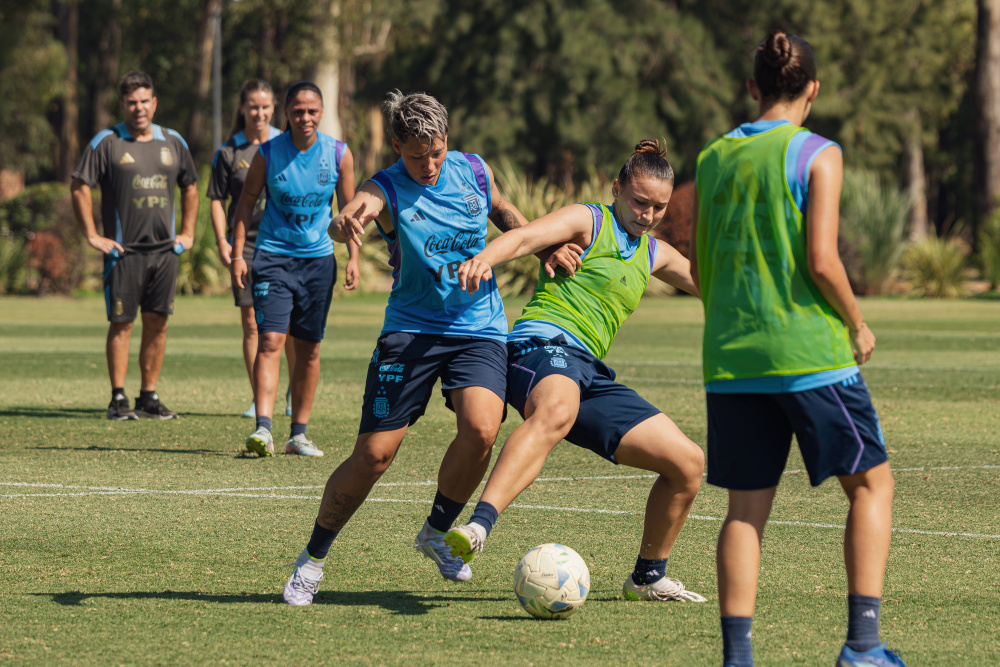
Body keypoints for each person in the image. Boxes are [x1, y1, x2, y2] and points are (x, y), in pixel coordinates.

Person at [282, 91, 552, 605]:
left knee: (481, 429)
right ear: (396, 146)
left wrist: (545, 242)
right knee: (374, 456)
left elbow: (503, 211)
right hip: (411, 331)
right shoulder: (384, 185)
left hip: (479, 327)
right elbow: (358, 210)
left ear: (447, 139)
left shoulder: (473, 169)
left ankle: (436, 531)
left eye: (436, 152)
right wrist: (345, 223)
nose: (428, 165)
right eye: (415, 155)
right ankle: (312, 559)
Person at [690, 30, 903, 667]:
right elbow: (822, 260)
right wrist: (858, 324)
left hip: (730, 362)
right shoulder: (817, 152)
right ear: (812, 89)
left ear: (752, 88)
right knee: (872, 488)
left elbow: (701, 268)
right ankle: (863, 646)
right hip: (808, 356)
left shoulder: (710, 158)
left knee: (745, 510)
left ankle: (738, 659)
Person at [445, 140, 707, 603]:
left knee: (687, 464)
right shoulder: (589, 220)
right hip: (541, 346)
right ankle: (480, 525)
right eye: (639, 202)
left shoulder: (654, 253)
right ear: (617, 188)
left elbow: (713, 289)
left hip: (590, 370)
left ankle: (648, 576)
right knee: (558, 408)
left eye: (658, 208)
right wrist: (486, 257)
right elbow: (526, 237)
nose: (647, 214)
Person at [231, 81, 359, 457]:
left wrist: (353, 256)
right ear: (286, 113)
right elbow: (245, 205)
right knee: (270, 340)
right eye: (298, 111)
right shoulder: (268, 154)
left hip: (318, 262)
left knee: (310, 349)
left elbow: (349, 210)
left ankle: (298, 435)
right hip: (272, 258)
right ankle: (264, 429)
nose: (305, 117)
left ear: (321, 112)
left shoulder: (338, 154)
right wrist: (239, 255)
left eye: (312, 111)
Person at [70, 70, 198, 421]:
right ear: (122, 105)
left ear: (154, 103)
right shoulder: (106, 142)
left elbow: (190, 185)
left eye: (144, 101)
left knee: (158, 323)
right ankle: (118, 398)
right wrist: (93, 236)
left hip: (165, 254)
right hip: (123, 254)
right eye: (131, 102)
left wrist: (186, 233)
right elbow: (80, 184)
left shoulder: (173, 142)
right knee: (122, 323)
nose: (138, 108)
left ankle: (148, 396)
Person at [207, 79, 295, 420]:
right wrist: (223, 241)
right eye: (253, 107)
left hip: (284, 244)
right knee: (251, 323)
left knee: (287, 325)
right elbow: (216, 200)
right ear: (243, 108)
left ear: (274, 109)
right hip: (245, 246)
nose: (259, 113)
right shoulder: (229, 151)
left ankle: (292, 391)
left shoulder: (286, 145)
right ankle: (260, 397)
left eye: (265, 107)